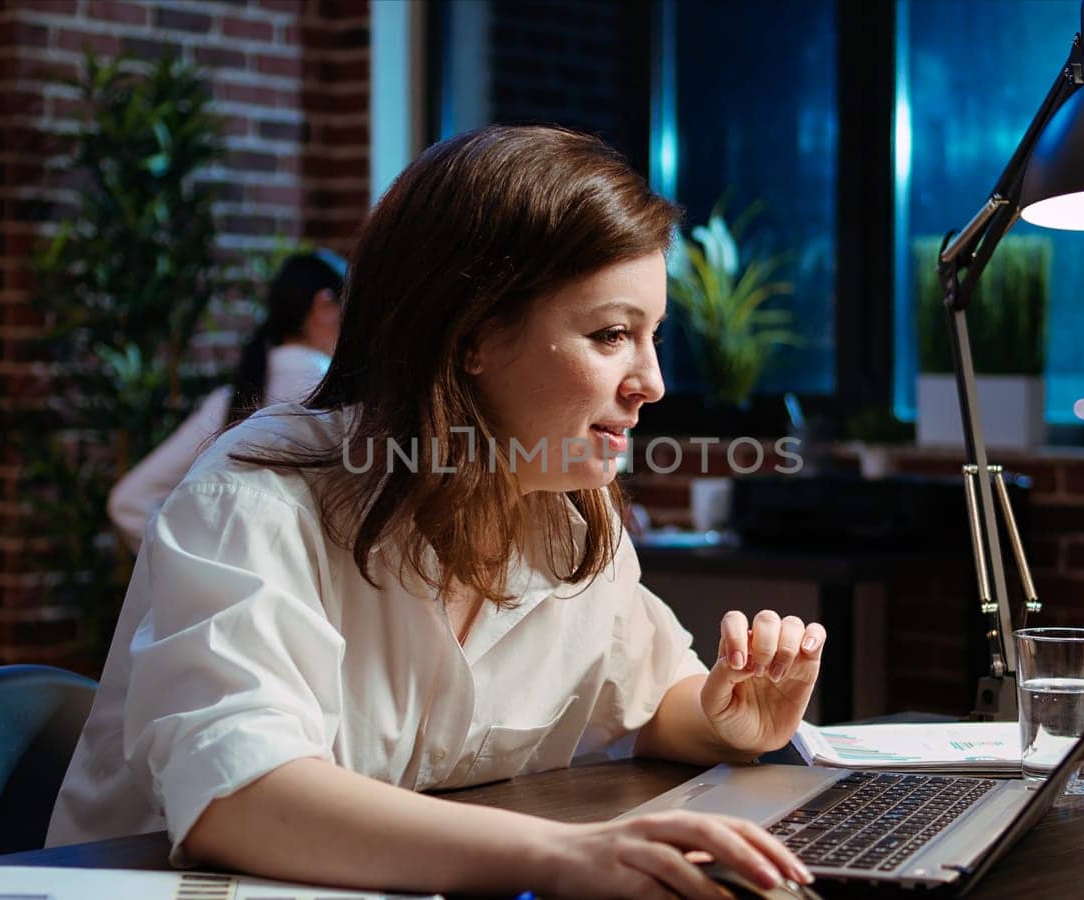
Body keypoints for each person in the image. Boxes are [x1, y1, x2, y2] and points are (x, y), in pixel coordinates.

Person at [48, 125, 827, 899]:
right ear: (473, 336)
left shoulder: (568, 518)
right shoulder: (256, 496)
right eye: (611, 335)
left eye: (653, 337)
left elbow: (652, 700)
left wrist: (729, 719)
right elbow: (238, 796)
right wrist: (563, 854)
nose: (650, 382)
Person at [105, 253, 344, 551]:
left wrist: (202, 571)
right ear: (324, 306)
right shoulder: (344, 401)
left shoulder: (232, 401)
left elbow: (130, 502)